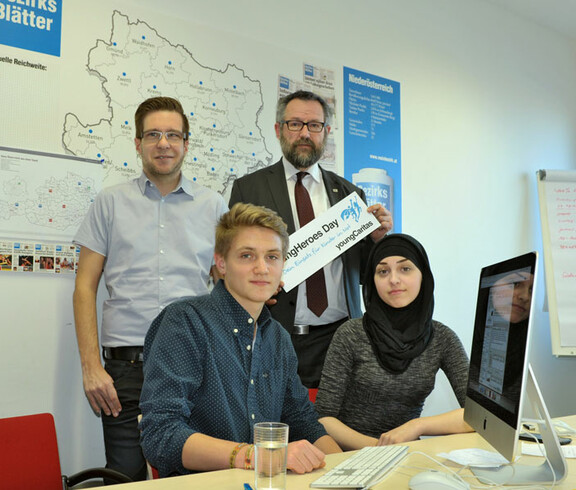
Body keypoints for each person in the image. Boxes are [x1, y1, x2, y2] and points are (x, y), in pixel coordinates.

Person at [72, 96, 227, 481]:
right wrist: (91, 367)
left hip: (194, 366)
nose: (164, 143)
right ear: (138, 142)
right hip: (125, 370)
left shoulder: (213, 206)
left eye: (173, 134)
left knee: (190, 478)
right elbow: (84, 286)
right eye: (153, 134)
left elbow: (227, 286)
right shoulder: (110, 202)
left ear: (186, 144)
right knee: (124, 478)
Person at [139, 203, 341, 477]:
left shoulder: (278, 338)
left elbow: (302, 420)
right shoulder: (185, 322)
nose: (262, 268)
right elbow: (161, 435)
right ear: (221, 263)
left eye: (272, 257)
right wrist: (255, 456)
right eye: (247, 256)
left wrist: (348, 468)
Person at [229, 90, 392, 388]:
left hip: (341, 338)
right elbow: (234, 263)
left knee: (338, 428)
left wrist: (378, 240)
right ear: (279, 130)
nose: (305, 133)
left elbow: (365, 274)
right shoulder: (248, 189)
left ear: (326, 133)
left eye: (314, 125)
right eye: (295, 124)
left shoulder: (350, 195)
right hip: (274, 335)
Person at [314, 233, 472, 450]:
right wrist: (380, 449)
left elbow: (479, 414)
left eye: (405, 269)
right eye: (383, 271)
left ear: (423, 275)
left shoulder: (443, 339)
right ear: (373, 280)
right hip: (346, 454)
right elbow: (324, 418)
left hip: (407, 455)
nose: (394, 279)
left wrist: (417, 426)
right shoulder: (350, 333)